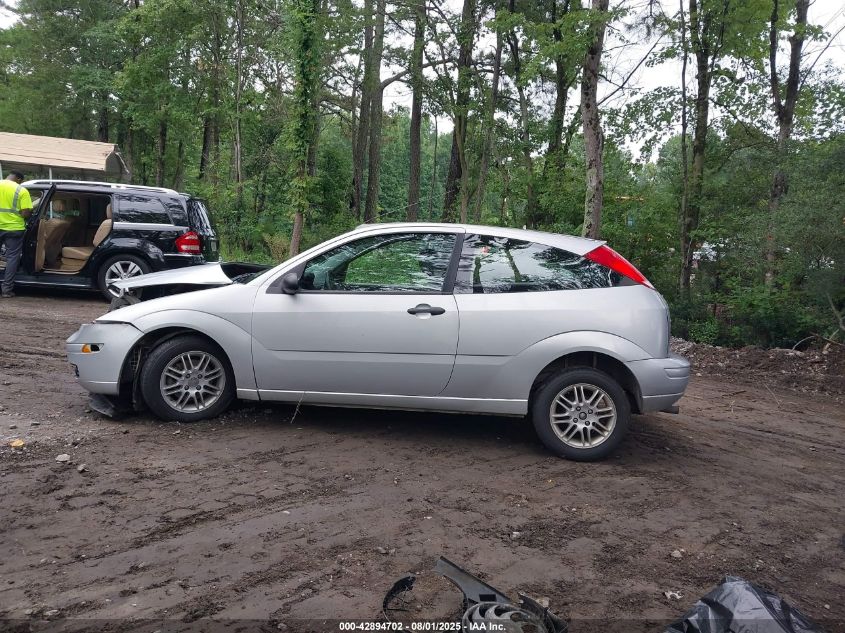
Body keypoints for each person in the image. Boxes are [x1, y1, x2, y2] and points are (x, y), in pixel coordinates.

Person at [0, 171, 33, 298]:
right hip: (13, 229)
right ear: (19, 179)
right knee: (12, 258)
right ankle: (6, 290)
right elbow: (25, 213)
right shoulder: (21, 190)